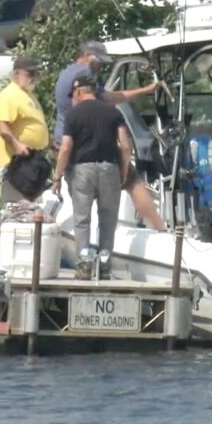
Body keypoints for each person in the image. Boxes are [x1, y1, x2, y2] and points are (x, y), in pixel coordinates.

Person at [53, 40, 167, 231]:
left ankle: (84, 242)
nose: (101, 67)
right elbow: (105, 103)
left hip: (65, 141)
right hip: (87, 144)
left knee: (81, 195)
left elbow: (109, 97)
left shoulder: (66, 73)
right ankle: (160, 228)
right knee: (133, 181)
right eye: (100, 62)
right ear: (91, 58)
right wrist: (146, 91)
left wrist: (146, 90)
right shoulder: (85, 75)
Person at [52, 73, 132, 280]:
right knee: (107, 219)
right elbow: (125, 146)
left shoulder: (73, 114)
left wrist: (57, 176)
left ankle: (85, 265)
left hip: (82, 170)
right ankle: (104, 265)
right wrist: (123, 173)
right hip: (109, 168)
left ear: (79, 91)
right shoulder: (113, 113)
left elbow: (66, 147)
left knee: (82, 219)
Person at [0, 55, 49, 205]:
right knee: (15, 208)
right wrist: (17, 145)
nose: (33, 77)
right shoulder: (9, 95)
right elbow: (2, 126)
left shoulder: (28, 95)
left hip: (33, 162)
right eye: (29, 73)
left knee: (32, 210)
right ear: (16, 74)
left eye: (35, 73)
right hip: (17, 163)